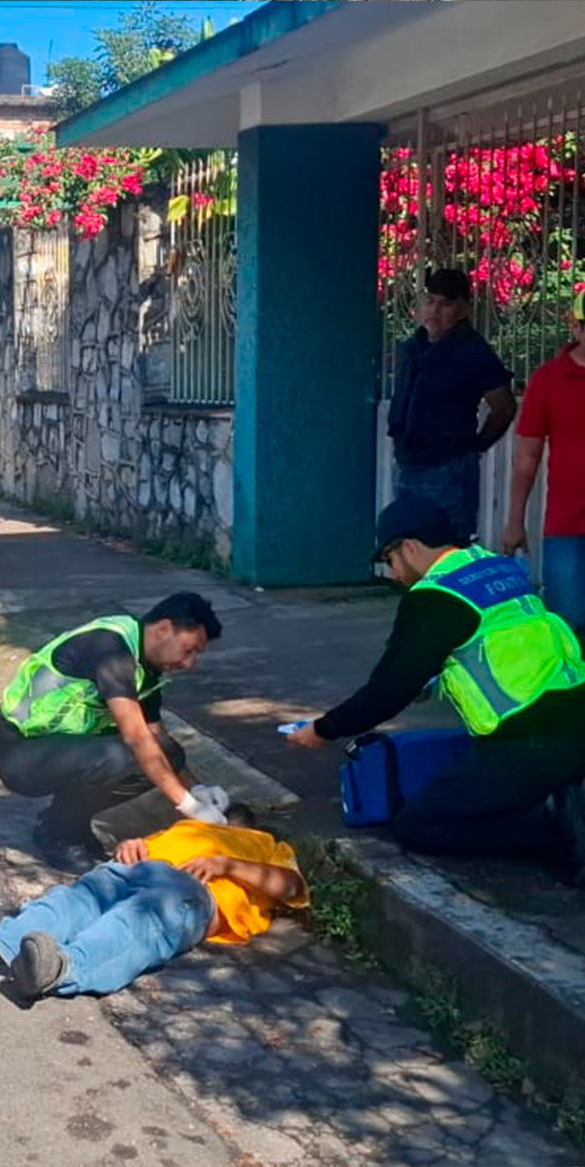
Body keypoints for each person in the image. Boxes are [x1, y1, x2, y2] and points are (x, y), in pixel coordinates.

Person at [286, 495, 585, 883]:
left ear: (410, 547)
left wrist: (323, 729)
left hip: (528, 743)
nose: (394, 574)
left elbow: (386, 692)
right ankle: (561, 793)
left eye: (390, 559)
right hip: (575, 724)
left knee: (420, 824)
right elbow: (487, 644)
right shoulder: (495, 566)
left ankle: (551, 825)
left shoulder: (434, 597)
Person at [0, 805, 308, 997]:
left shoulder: (266, 845)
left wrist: (227, 864)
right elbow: (142, 845)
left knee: (135, 924)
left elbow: (291, 888)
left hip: (192, 893)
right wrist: (133, 843)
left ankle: (58, 969)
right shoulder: (189, 827)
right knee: (70, 903)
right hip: (132, 869)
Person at [0, 592, 228, 862]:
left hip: (66, 748)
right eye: (188, 650)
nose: (189, 664)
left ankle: (66, 821)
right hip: (20, 752)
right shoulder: (110, 649)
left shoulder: (145, 666)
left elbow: (156, 735)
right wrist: (188, 805)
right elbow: (137, 737)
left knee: (170, 754)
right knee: (115, 757)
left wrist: (197, 789)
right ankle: (58, 834)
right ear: (163, 629)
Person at [388, 267, 516, 541]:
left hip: (447, 470)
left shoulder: (471, 351)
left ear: (463, 309)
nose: (434, 311)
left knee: (446, 548)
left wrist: (475, 447)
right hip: (407, 465)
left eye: (446, 304)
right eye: (430, 301)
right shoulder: (414, 347)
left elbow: (504, 406)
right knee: (406, 546)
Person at [500, 291, 585, 634]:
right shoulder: (549, 380)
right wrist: (514, 522)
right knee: (567, 623)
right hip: (567, 525)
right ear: (575, 326)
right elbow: (527, 457)